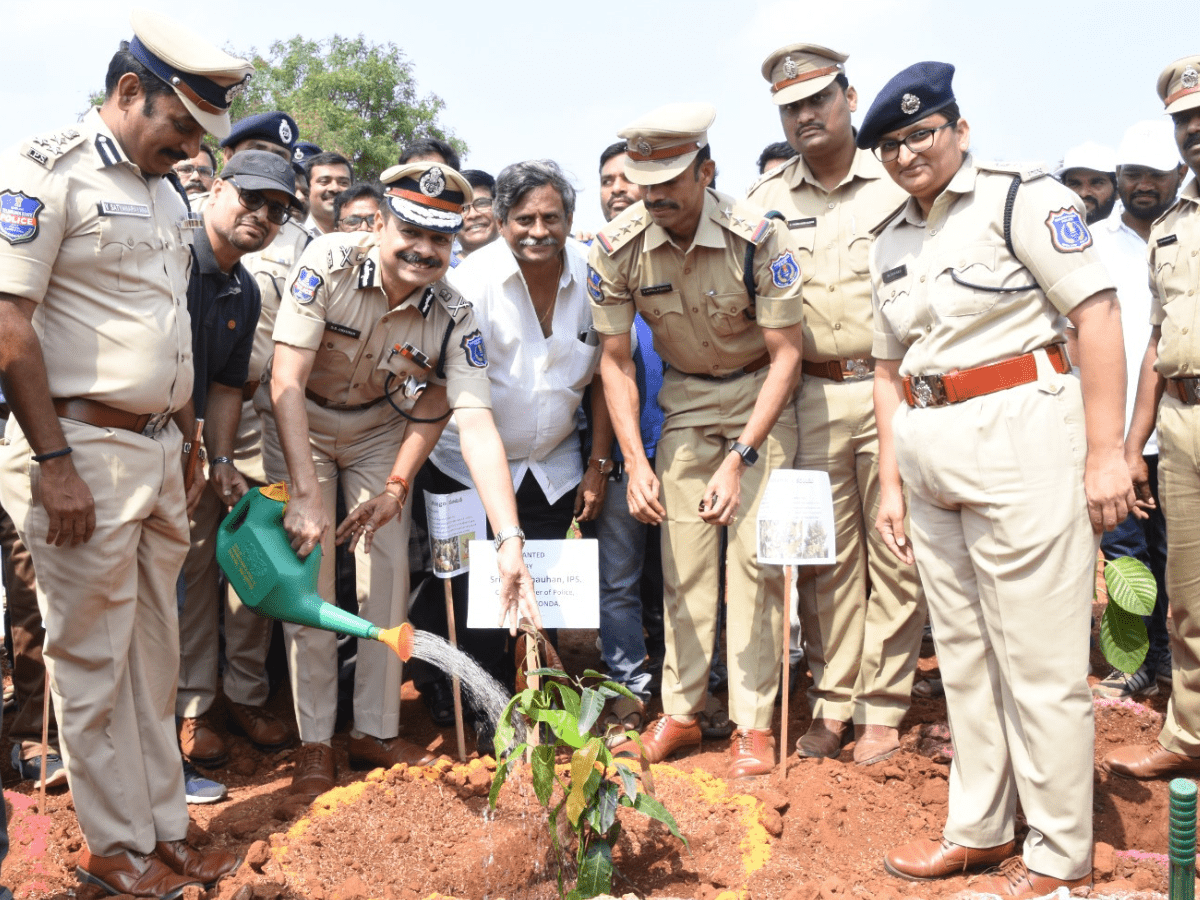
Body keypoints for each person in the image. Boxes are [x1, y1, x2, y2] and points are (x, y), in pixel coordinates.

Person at [860, 62, 1133, 897]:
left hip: (1024, 433)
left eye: (921, 133)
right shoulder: (890, 239)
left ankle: (1058, 853)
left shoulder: (1024, 199)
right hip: (929, 444)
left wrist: (1105, 452)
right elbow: (883, 367)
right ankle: (980, 829)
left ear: (959, 129)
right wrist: (892, 483)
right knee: (968, 660)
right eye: (891, 145)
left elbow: (1097, 315)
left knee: (1041, 662)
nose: (907, 153)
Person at [0, 10, 253, 897]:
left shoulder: (164, 188)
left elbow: (164, 329)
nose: (189, 148)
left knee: (153, 657)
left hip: (153, 454)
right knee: (92, 662)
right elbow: (8, 324)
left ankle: (162, 829)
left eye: (199, 134)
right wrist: (54, 460)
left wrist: (183, 438)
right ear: (128, 90)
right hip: (81, 451)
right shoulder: (45, 168)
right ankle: (113, 847)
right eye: (179, 125)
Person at [258, 161, 539, 798]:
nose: (424, 250)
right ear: (381, 221)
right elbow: (285, 383)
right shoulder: (325, 262)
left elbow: (466, 417)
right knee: (311, 579)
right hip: (299, 425)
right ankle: (314, 740)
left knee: (384, 575)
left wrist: (505, 536)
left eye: (440, 239)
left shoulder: (454, 310)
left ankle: (375, 730)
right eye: (411, 230)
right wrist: (305, 492)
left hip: (380, 431)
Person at [592, 103, 805, 780]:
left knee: (754, 569)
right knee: (682, 565)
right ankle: (680, 712)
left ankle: (753, 723)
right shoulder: (617, 246)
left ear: (706, 172)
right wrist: (632, 458)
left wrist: (741, 458)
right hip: (683, 402)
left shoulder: (757, 237)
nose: (654, 200)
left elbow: (787, 355)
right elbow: (616, 361)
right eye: (643, 186)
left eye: (669, 187)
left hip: (758, 400)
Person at [747, 43, 926, 766]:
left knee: (898, 548)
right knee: (825, 564)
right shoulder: (762, 204)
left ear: (850, 99)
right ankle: (833, 703)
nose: (804, 115)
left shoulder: (899, 180)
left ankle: (883, 707)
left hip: (898, 392)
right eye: (790, 107)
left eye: (817, 100)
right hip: (811, 396)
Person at [413, 160, 610, 738]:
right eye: (523, 218)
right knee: (469, 592)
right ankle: (474, 705)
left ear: (571, 220)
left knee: (540, 586)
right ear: (499, 221)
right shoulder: (469, 282)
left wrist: (599, 462)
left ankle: (540, 705)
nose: (538, 230)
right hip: (463, 464)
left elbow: (606, 376)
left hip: (553, 466)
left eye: (551, 217)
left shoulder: (595, 277)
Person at [174, 151, 303, 790]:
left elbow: (229, 384)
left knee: (248, 564)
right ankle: (194, 710)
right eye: (252, 199)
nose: (263, 216)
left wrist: (219, 458)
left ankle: (245, 698)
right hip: (150, 438)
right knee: (192, 577)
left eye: (277, 210)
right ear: (217, 187)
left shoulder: (244, 287)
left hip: (215, 441)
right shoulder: (169, 258)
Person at [1102, 54, 1200, 781]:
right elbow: (1157, 345)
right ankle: (1189, 734)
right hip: (1181, 418)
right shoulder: (1169, 228)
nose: (1193, 130)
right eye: (1183, 121)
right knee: (1187, 596)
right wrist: (1134, 445)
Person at [1090, 120, 1186, 701]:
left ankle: (1178, 661)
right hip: (1114, 429)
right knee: (1125, 556)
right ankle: (1136, 661)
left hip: (1177, 427)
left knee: (1179, 557)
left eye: (1155, 173)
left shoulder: (1188, 236)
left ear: (1179, 174)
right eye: (1132, 174)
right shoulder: (1091, 243)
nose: (1143, 184)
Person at [588, 142, 666, 741]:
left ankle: (697, 684)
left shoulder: (678, 255)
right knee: (617, 579)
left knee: (688, 574)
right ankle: (627, 692)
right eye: (608, 179)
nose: (619, 188)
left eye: (629, 178)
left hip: (682, 444)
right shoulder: (591, 266)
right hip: (616, 455)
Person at [1057, 142, 1118, 224]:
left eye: (1096, 183)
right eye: (1074, 184)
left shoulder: (1135, 233)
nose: (1084, 193)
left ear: (1118, 190)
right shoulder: (1045, 232)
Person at [303, 151, 353, 235]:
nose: (334, 188)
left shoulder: (363, 232)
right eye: (324, 181)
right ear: (307, 187)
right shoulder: (292, 233)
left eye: (343, 183)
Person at [456, 169, 500, 259]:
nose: (473, 215)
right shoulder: (438, 271)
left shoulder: (529, 264)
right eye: (461, 208)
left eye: (482, 203)